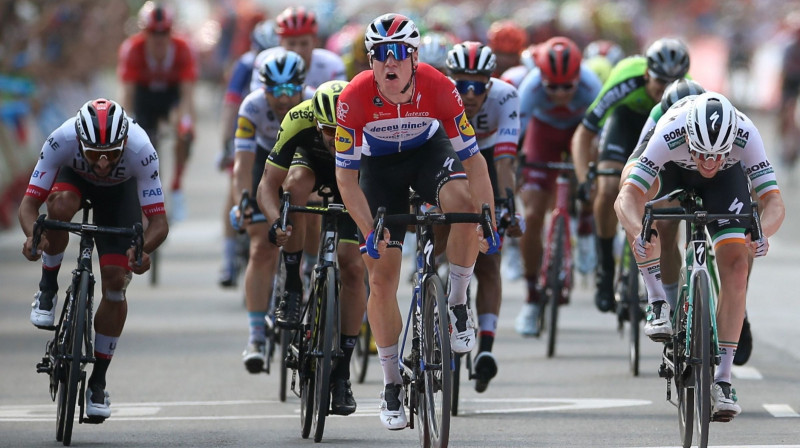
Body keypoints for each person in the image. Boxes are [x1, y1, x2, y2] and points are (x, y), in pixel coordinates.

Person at [334, 13, 499, 430]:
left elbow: (474, 162)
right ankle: (391, 383)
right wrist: (370, 230)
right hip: (379, 170)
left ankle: (458, 302)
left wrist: (488, 218)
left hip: (428, 154)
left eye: (399, 54)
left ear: (414, 57)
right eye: (380, 55)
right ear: (370, 61)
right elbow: (346, 179)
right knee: (381, 277)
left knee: (462, 203)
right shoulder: (353, 98)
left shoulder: (439, 87)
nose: (390, 63)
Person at [615, 91, 785, 420]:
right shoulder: (670, 130)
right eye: (702, 153)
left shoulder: (746, 133)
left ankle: (722, 380)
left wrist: (763, 231)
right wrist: (639, 231)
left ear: (731, 142)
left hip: (726, 184)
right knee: (644, 214)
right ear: (688, 138)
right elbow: (627, 197)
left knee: (737, 268)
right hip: (673, 173)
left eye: (718, 154)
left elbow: (773, 202)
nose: (709, 162)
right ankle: (657, 303)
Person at [20, 98, 169, 421]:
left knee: (116, 284)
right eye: (94, 155)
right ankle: (47, 289)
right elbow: (29, 206)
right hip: (72, 180)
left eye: (112, 155)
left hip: (120, 194)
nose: (102, 164)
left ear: (125, 143)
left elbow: (158, 222)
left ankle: (98, 381)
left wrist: (144, 251)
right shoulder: (62, 138)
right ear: (80, 142)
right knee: (58, 209)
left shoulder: (142, 149)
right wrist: (33, 238)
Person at [257, 80, 366, 416]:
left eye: (341, 130)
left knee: (352, 266)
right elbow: (267, 185)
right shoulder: (298, 118)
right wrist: (277, 222)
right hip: (311, 167)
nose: (335, 137)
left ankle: (342, 372)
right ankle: (292, 282)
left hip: (355, 178)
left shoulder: (368, 120)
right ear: (316, 122)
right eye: (328, 130)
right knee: (294, 186)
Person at [571, 38, 690, 313]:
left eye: (673, 82)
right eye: (660, 82)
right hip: (625, 124)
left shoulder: (687, 89)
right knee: (609, 185)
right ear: (647, 74)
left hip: (663, 133)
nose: (665, 90)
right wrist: (583, 179)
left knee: (667, 214)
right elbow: (584, 133)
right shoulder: (626, 78)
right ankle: (605, 269)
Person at [442, 41, 523, 392]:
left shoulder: (506, 97)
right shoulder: (439, 95)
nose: (470, 94)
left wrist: (508, 207)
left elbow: (504, 162)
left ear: (490, 84)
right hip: (446, 156)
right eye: (462, 84)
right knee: (437, 232)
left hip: (487, 158)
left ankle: (486, 348)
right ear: (451, 81)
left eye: (478, 85)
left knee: (489, 260)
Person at [513, 37, 603, 336]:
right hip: (543, 135)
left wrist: (596, 175)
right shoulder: (530, 88)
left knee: (593, 177)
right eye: (553, 87)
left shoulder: (592, 86)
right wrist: (516, 169)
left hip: (581, 133)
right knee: (533, 214)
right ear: (542, 80)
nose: (561, 93)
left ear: (579, 78)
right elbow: (514, 138)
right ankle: (531, 297)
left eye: (568, 86)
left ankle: (587, 223)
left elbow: (601, 138)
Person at [232, 51, 308, 373]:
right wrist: (241, 202)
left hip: (304, 153)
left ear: (303, 87)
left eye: (291, 88)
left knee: (311, 206)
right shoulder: (251, 108)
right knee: (261, 247)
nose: (284, 97)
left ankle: (314, 270)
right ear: (264, 90)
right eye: (275, 90)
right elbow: (242, 164)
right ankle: (256, 336)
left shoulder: (314, 105)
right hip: (267, 156)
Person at [118, 2, 197, 222]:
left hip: (171, 98)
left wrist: (187, 125)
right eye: (154, 33)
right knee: (138, 141)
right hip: (144, 97)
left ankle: (177, 187)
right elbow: (127, 95)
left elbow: (188, 96)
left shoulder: (183, 49)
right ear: (144, 33)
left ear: (171, 32)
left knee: (185, 129)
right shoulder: (132, 49)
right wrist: (124, 127)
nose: (159, 38)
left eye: (164, 33)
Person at [217, 19, 279, 287]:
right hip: (248, 124)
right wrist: (224, 145)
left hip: (275, 126)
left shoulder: (287, 66)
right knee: (236, 187)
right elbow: (230, 105)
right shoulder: (244, 65)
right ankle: (228, 259)